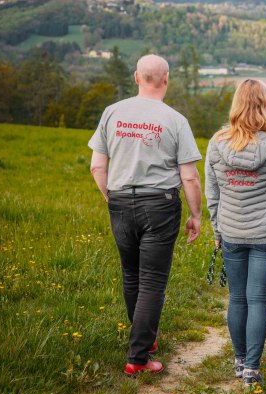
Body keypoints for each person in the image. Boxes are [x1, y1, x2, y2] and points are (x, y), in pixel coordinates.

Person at [89, 54, 203, 375]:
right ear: (166, 80)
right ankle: (138, 357)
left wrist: (111, 196)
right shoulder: (175, 120)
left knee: (131, 275)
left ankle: (145, 338)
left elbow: (97, 166)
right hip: (161, 205)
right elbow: (190, 176)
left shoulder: (112, 113)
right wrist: (196, 215)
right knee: (152, 281)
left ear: (136, 78)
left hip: (121, 202)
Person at [205, 79, 266, 385]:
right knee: (258, 300)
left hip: (230, 231)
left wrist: (217, 229)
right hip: (265, 235)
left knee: (237, 299)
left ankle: (239, 359)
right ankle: (251, 370)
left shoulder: (217, 143)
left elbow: (213, 194)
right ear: (265, 107)